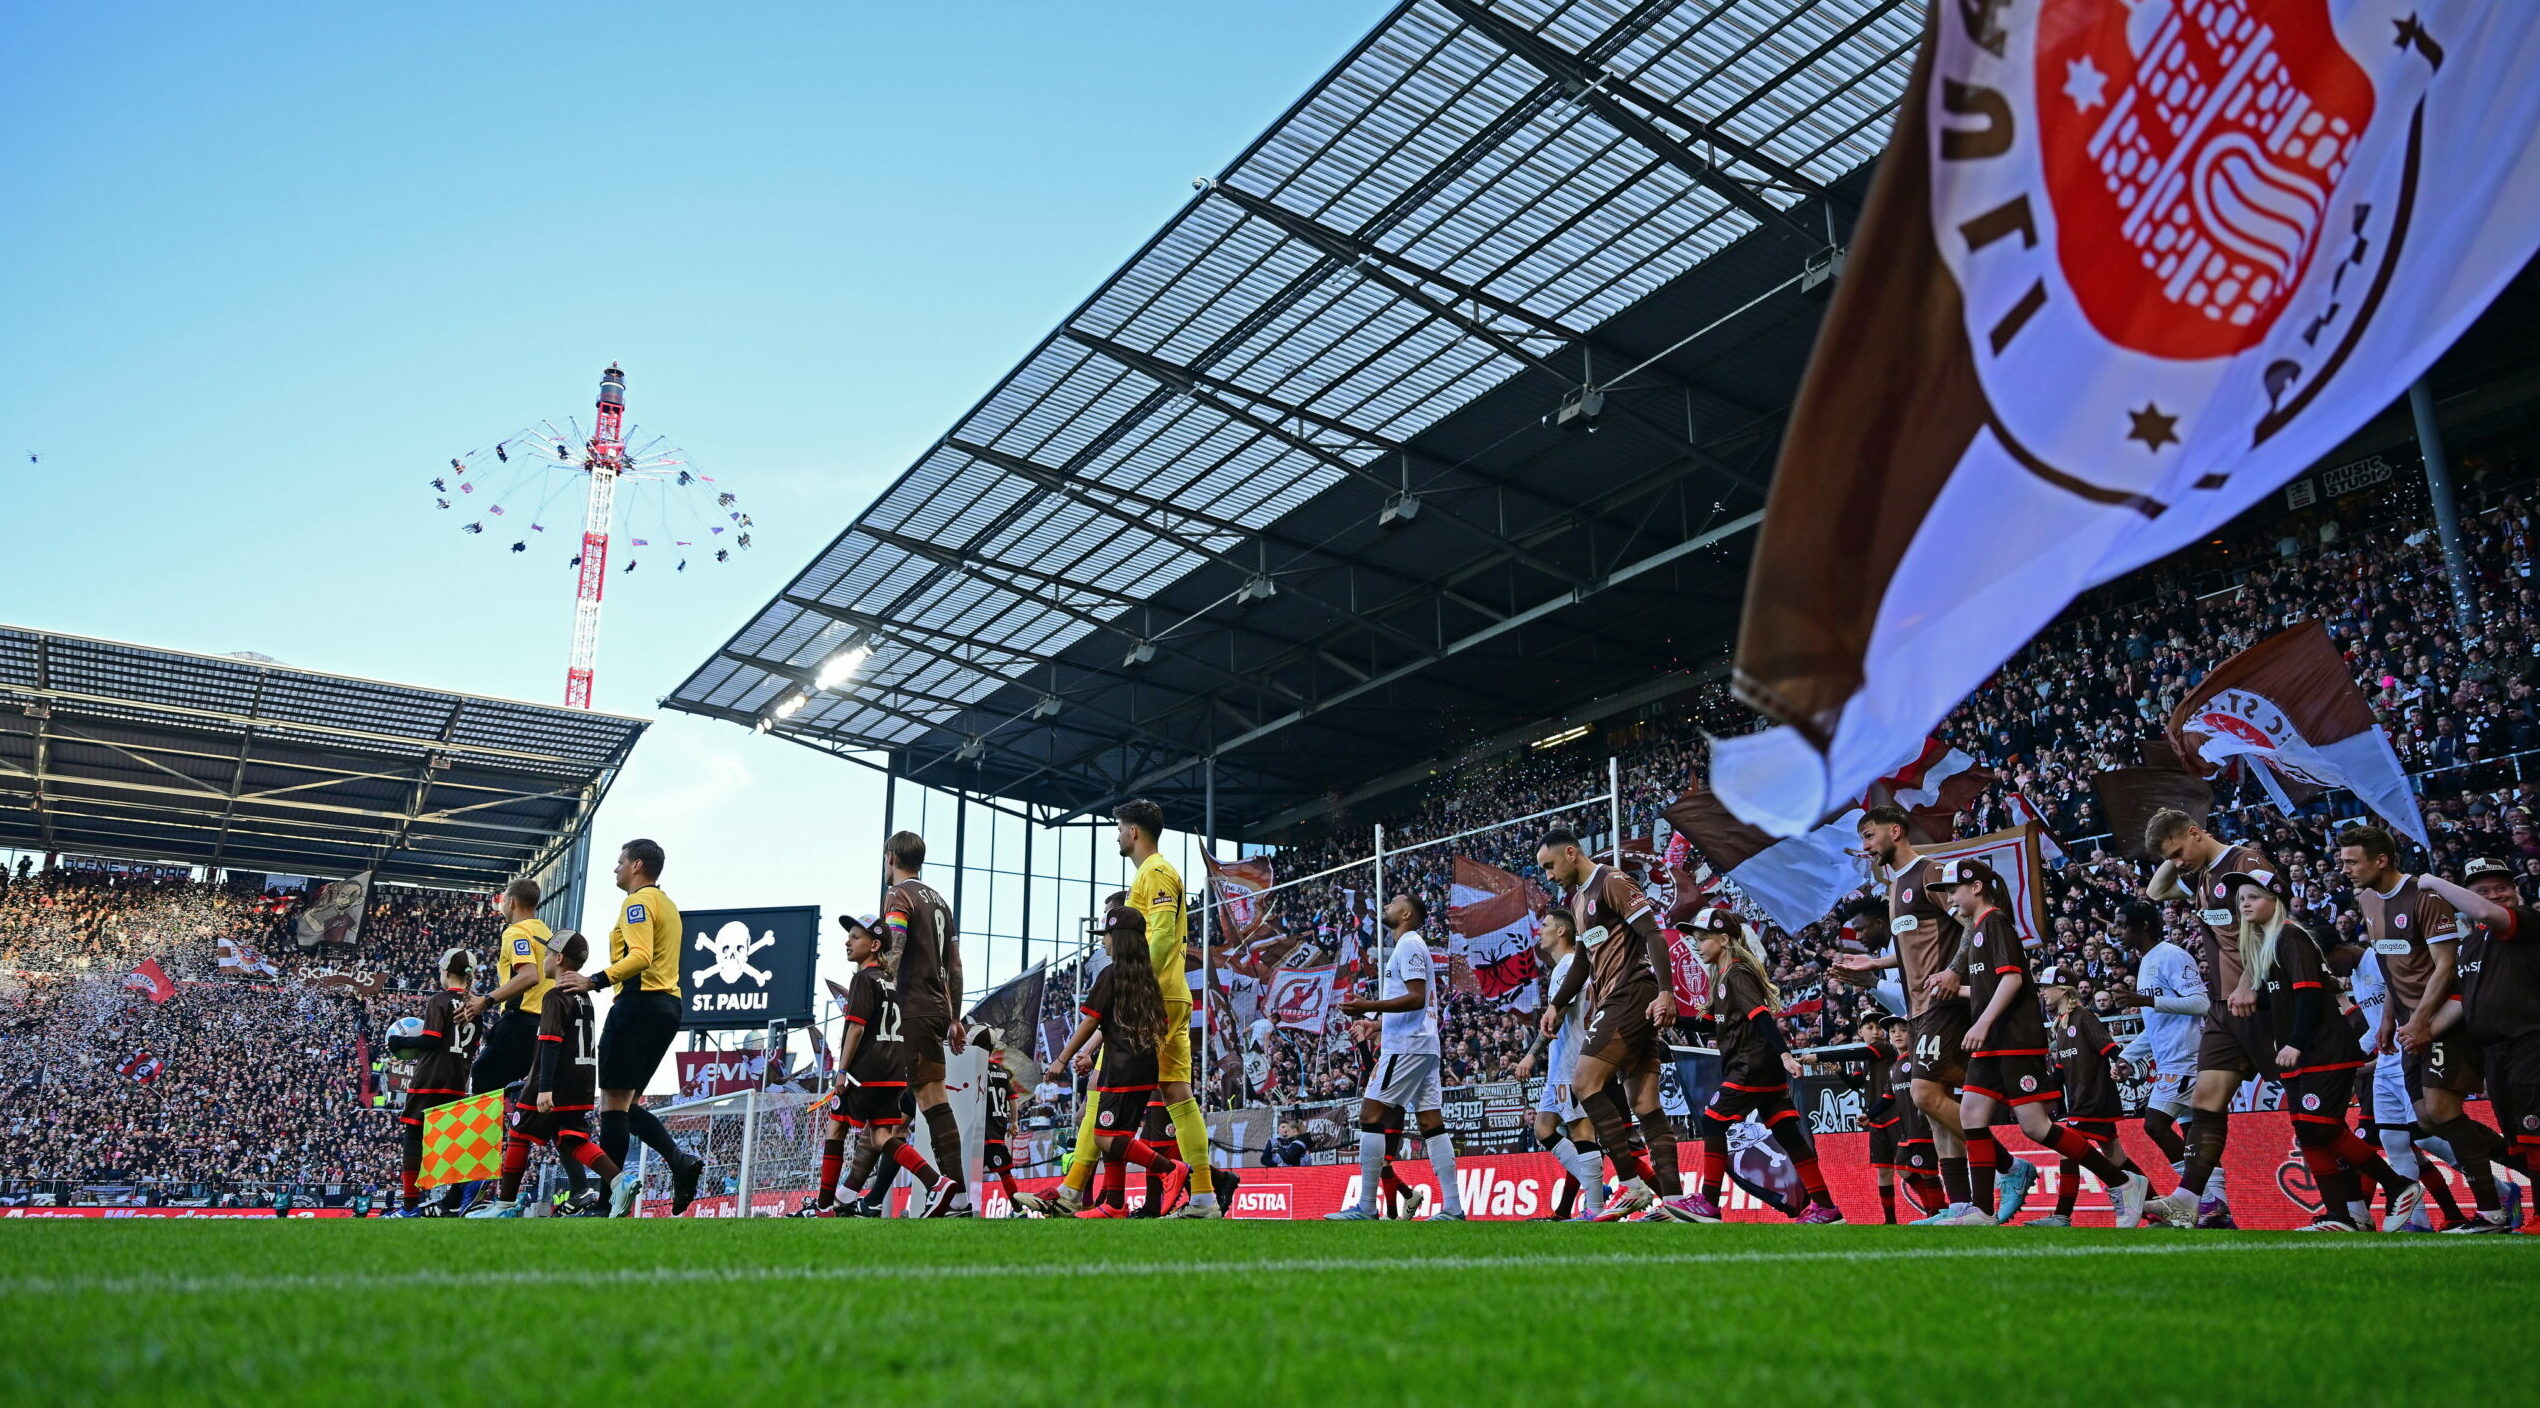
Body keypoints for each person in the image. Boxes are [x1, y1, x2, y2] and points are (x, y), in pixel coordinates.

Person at [1836, 806, 2035, 1226]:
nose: (1867, 846)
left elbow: (1970, 926)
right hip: (1918, 1008)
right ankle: (1960, 1203)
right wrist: (1873, 965)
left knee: (1924, 1093)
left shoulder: (1931, 873)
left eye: (1871, 837)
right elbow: (1912, 947)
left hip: (1947, 1005)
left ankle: (2010, 1167)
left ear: (1896, 831)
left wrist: (1955, 971)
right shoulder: (1893, 889)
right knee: (1933, 1106)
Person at [1927, 859, 2147, 1227]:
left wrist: (1980, 1022)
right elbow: (1989, 987)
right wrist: (1953, 989)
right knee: (1971, 1115)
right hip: (1994, 1043)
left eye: (1953, 890)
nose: (1950, 898)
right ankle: (1981, 1210)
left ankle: (2122, 1181)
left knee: (2035, 1126)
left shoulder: (1995, 923)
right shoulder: (1981, 927)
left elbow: (2012, 981)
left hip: (2014, 1042)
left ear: (1976, 887)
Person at [2223, 867, 2417, 1231]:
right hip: (2303, 1053)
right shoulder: (2269, 944)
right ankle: (2339, 1215)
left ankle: (2398, 1185)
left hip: (2322, 1050)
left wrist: (2295, 1042)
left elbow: (2310, 993)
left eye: (2254, 897)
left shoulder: (2290, 937)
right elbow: (2284, 999)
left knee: (2321, 1126)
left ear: (2276, 901)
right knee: (2308, 1130)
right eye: (2241, 899)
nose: (2245, 904)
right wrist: (2251, 1000)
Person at [2341, 825, 2515, 1231]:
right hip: (2405, 1026)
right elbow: (2390, 963)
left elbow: (2446, 966)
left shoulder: (2424, 897)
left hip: (2443, 1021)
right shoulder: (2367, 898)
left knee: (2439, 1110)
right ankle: (2519, 1163)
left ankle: (2491, 1210)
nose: (2344, 868)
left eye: (2351, 861)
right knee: (2427, 1120)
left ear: (2380, 860)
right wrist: (2387, 1018)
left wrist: (2420, 1020)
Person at [2138, 810, 2275, 1230]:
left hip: (2263, 1001)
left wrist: (2250, 982)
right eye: (2172, 857)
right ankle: (2192, 1200)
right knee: (2205, 1102)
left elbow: (2273, 926)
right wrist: (2176, 853)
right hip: (2222, 1008)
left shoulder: (2245, 864)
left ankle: (2370, 1196)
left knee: (2313, 1110)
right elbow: (2155, 890)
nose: (2178, 862)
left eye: (2180, 850)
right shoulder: (2199, 874)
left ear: (2197, 833)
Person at [554, 839, 704, 1217]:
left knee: (613, 1107)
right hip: (668, 1006)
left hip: (638, 1005)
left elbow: (640, 956)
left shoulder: (637, 903)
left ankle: (608, 1202)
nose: (615, 868)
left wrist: (595, 980)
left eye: (619, 862)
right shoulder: (667, 904)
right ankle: (677, 1161)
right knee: (624, 1104)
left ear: (637, 865)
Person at [1538, 829, 1679, 1222]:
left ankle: (1632, 1184)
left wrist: (1665, 992)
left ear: (1571, 853)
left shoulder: (1612, 881)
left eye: (1550, 866)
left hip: (1630, 994)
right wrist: (1555, 1004)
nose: (1548, 875)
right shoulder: (1580, 900)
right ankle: (1676, 1202)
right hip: (1619, 999)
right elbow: (1583, 962)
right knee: (1645, 1104)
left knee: (1586, 1084)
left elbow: (1652, 933)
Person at [1675, 906, 1842, 1224]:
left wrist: (1785, 1056)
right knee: (1787, 1134)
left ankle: (1709, 1203)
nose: (1697, 945)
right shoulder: (1724, 975)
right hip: (1759, 1065)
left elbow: (1762, 1018)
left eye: (1702, 938)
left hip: (1751, 1064)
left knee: (1713, 1121)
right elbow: (1711, 1024)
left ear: (1724, 939)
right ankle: (1826, 1207)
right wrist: (1671, 1019)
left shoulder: (1737, 973)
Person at [2411, 858, 2540, 1228]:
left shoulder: (2528, 922)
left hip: (2530, 1041)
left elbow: (2486, 911)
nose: (2495, 896)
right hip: (2495, 1052)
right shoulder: (2472, 944)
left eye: (2502, 887)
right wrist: (2424, 1031)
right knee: (2519, 1140)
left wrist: (2433, 881)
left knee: (2535, 1134)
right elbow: (2464, 1002)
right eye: (2483, 890)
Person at [1326, 893, 1465, 1221]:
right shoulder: (1411, 946)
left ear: (1405, 913)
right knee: (1431, 1123)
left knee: (1370, 1115)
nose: (1385, 906)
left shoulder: (1409, 945)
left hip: (1407, 1046)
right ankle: (1454, 1207)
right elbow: (1415, 1003)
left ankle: (1366, 1207)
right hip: (1422, 1045)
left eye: (1391, 904)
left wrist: (1367, 1006)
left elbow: (1416, 998)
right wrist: (1375, 1024)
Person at [1050, 897, 1191, 1220]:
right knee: (1117, 1136)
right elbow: (1157, 1025)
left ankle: (1170, 1170)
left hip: (1122, 1069)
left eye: (1107, 934)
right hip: (1143, 1067)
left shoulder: (1111, 975)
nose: (1103, 941)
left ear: (1121, 937)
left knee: (1104, 1137)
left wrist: (1063, 1059)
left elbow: (1090, 1021)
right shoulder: (1147, 979)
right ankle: (1114, 1204)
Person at [471, 932, 627, 1218]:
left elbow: (551, 1042)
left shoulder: (555, 995)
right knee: (570, 1137)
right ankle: (619, 1181)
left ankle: (504, 1205)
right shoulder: (584, 996)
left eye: (545, 955)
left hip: (554, 1079)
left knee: (518, 1130)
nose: (542, 959)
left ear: (558, 958)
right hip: (581, 1080)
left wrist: (543, 1087)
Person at [463, 879, 586, 1212]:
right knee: (547, 1108)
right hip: (546, 1026)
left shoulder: (515, 933)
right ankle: (580, 1185)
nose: (502, 908)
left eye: (503, 902)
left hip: (521, 1024)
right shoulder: (546, 933)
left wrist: (486, 1001)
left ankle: (475, 1181)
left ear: (512, 902)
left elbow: (529, 975)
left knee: (483, 1078)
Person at [827, 910, 960, 1217]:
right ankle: (936, 1183)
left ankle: (825, 1205)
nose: (848, 942)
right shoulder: (893, 983)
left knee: (836, 1128)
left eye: (855, 937)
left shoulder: (863, 978)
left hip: (868, 1070)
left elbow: (857, 1027)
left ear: (874, 945)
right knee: (883, 1136)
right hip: (894, 1070)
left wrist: (842, 1071)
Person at [876, 831, 972, 1216]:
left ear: (892, 856)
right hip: (936, 1006)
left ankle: (952, 1192)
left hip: (910, 1006)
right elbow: (956, 965)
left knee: (928, 1097)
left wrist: (881, 983)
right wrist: (954, 1017)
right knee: (917, 1099)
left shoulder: (898, 896)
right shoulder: (940, 902)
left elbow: (895, 947)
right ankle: (860, 1196)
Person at [2106, 899, 2222, 1217]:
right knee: (2192, 1136)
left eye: (2122, 923)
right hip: (2173, 1059)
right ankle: (2213, 1206)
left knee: (2155, 1124)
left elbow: (2200, 1003)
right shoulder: (2146, 962)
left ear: (2143, 925)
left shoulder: (2171, 956)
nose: (2117, 930)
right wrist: (2128, 1056)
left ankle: (2201, 1198)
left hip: (2186, 1058)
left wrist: (2144, 999)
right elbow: (2157, 1026)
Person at [1514, 909, 1605, 1221]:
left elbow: (1560, 1014)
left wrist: (1530, 1054)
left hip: (1572, 1060)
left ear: (1563, 932)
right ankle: (1594, 1185)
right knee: (1543, 1127)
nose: (1540, 931)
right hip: (1560, 1064)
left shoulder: (1568, 967)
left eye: (1546, 925)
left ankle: (1595, 1207)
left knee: (1582, 1129)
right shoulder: (1563, 968)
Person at [2033, 978, 2147, 1226]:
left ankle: (2062, 1215)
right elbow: (2060, 1073)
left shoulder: (2083, 1017)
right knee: (2115, 1157)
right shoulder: (2060, 1026)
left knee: (2067, 1150)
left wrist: (2122, 1063)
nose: (2042, 993)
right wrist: (2043, 1096)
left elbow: (2110, 1048)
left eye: (2045, 987)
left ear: (2062, 990)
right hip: (2080, 1100)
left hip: (2094, 1098)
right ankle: (2159, 1207)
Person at [387, 947, 480, 1216]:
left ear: (446, 972)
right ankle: (469, 1184)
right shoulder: (476, 1007)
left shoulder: (439, 1000)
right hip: (458, 1080)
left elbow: (431, 1039)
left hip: (429, 1079)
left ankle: (409, 1206)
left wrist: (400, 1042)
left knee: (414, 1136)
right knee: (452, 1140)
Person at [978, 1035, 1025, 1216]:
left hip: (980, 1127)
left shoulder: (975, 1068)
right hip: (997, 1127)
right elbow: (1013, 1099)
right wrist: (1014, 1121)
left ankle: (959, 1206)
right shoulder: (1001, 1070)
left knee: (963, 1170)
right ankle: (1018, 1210)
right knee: (1005, 1172)